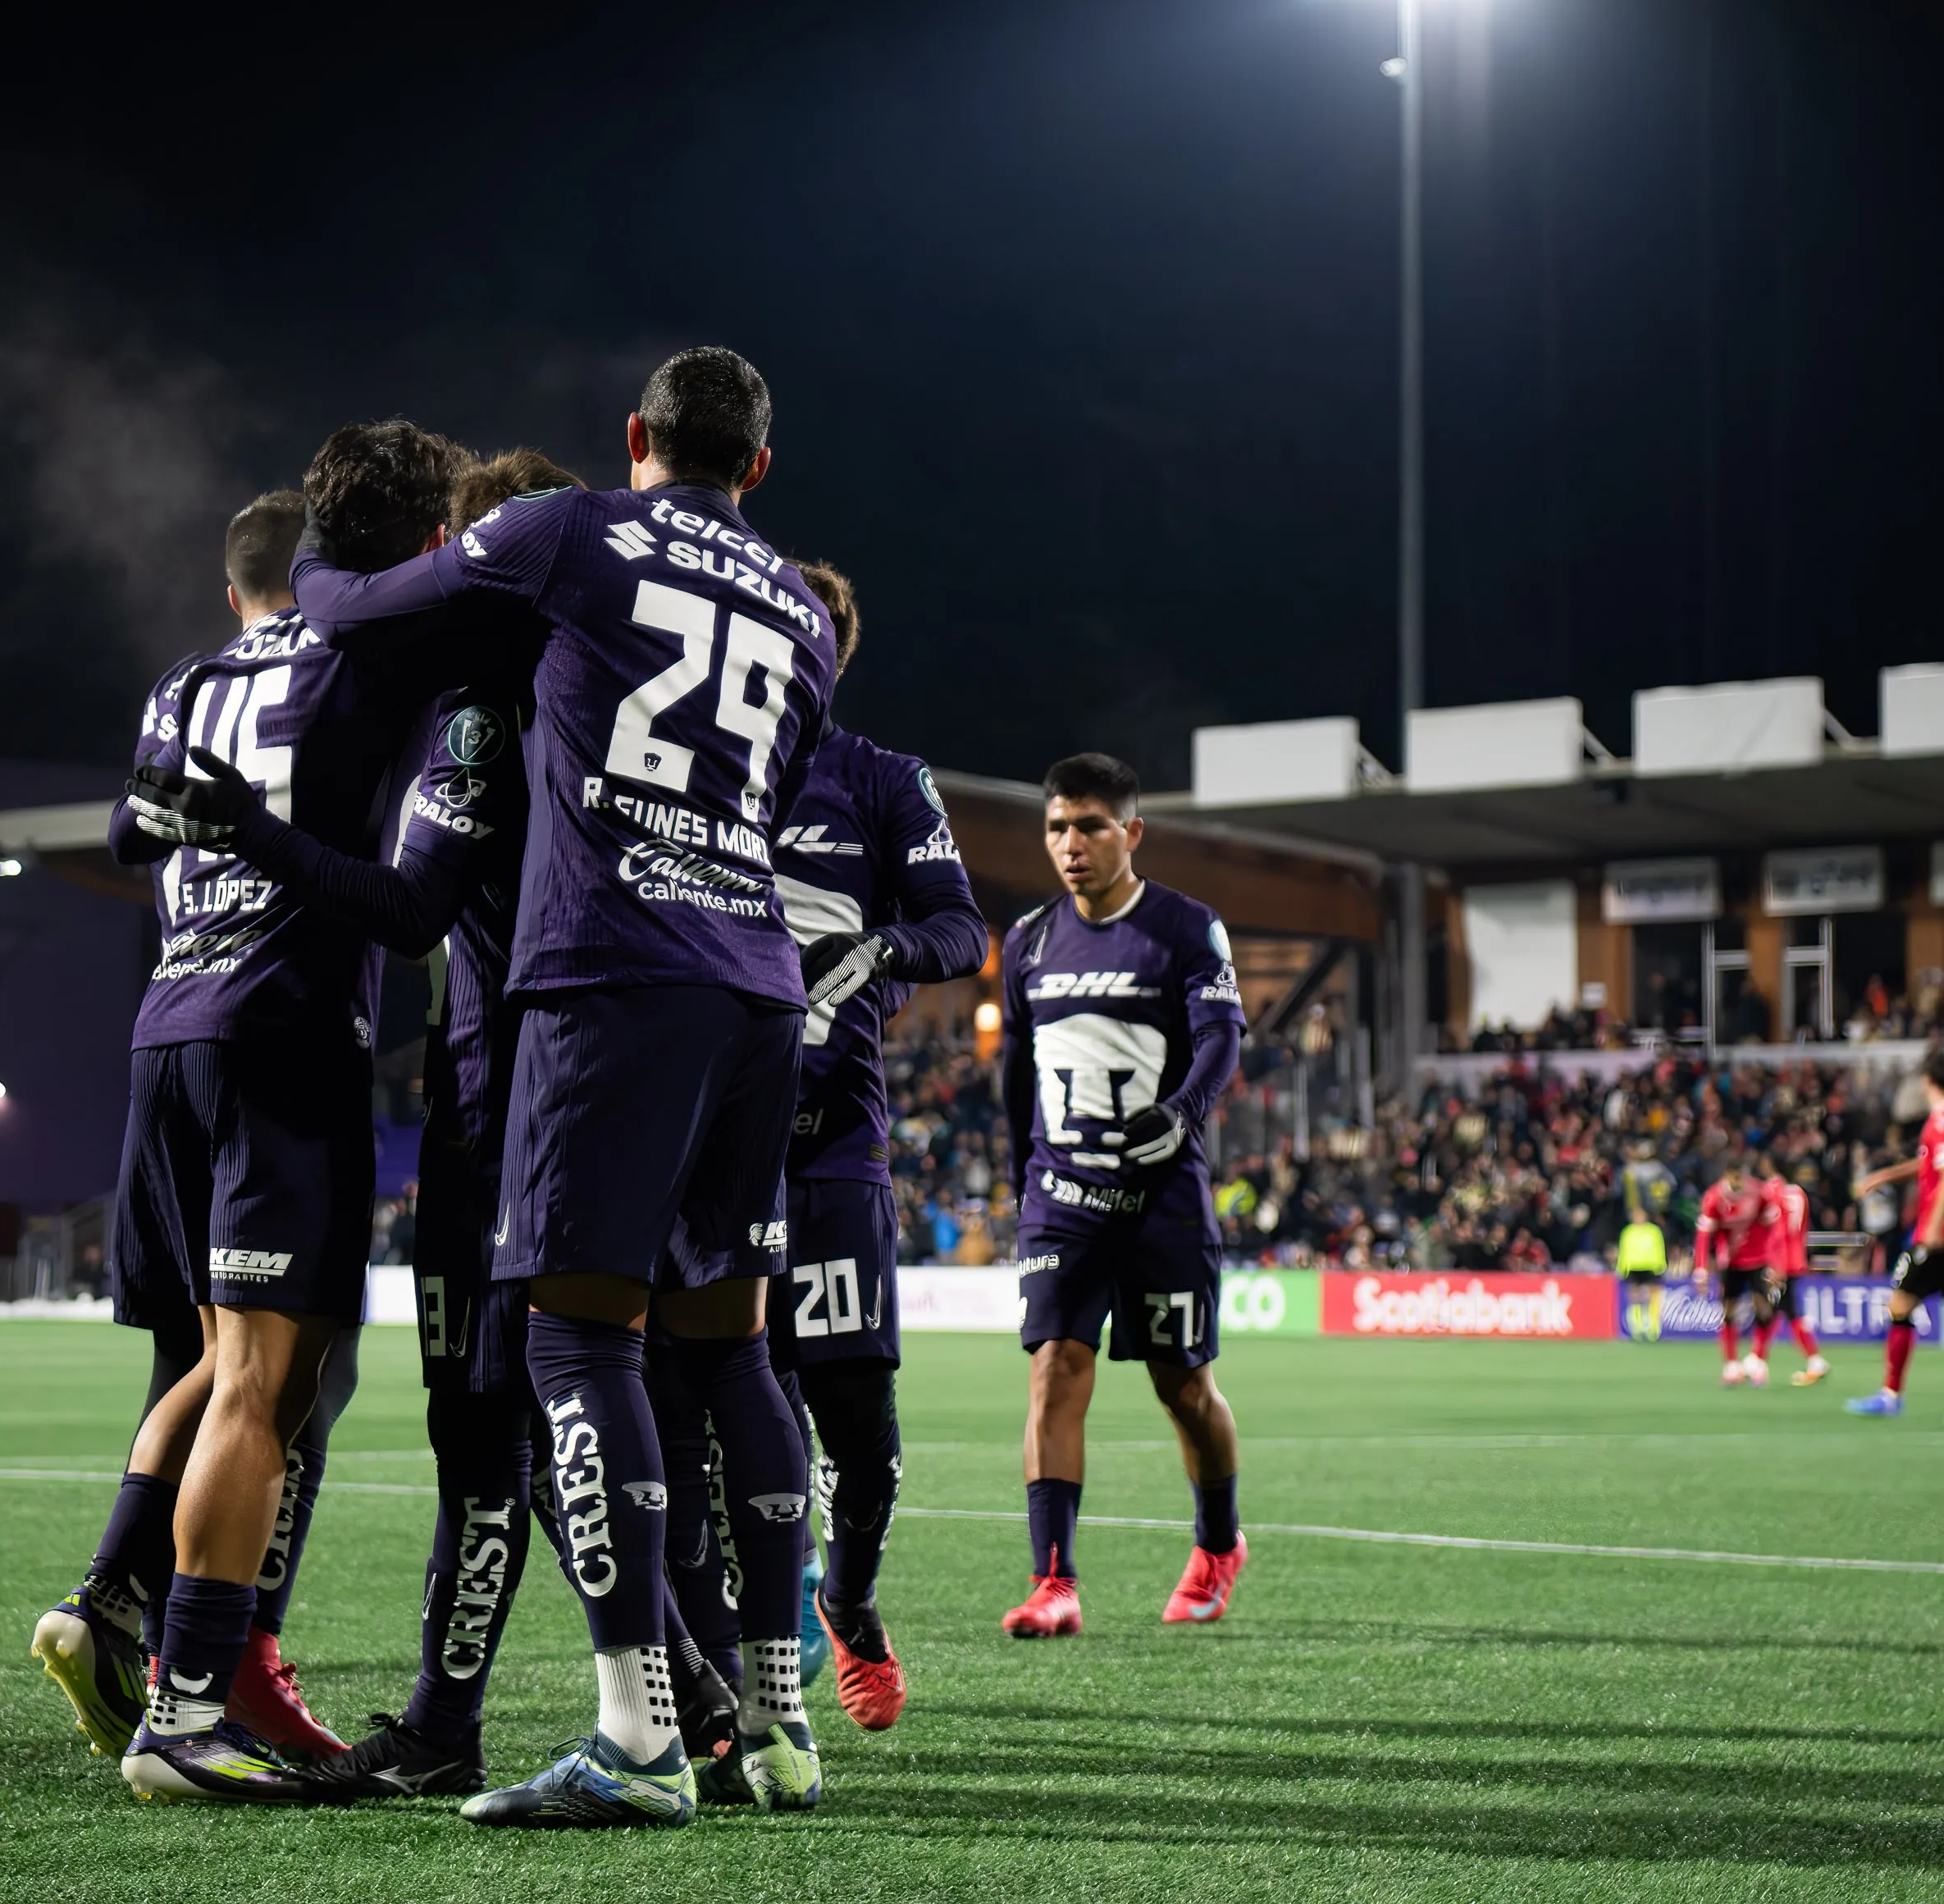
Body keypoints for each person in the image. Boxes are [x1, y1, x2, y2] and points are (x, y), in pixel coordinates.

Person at [295, 347, 838, 1827]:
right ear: (760, 468)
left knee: (572, 1347)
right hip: (757, 984)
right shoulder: (800, 602)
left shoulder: (572, 529)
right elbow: (776, 794)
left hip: (616, 979)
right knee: (732, 1350)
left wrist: (303, 548)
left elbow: (357, 608)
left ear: (636, 437)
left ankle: (639, 1738)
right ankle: (780, 1727)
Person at [34, 434, 462, 1804]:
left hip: (169, 1031)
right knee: (268, 1384)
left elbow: (121, 842)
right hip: (286, 1029)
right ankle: (190, 1712)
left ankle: (108, 1593)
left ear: (235, 592)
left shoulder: (184, 678)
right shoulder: (360, 658)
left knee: (217, 1366)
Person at [144, 446, 573, 1803]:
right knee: (350, 1399)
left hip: (513, 1101)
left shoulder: (460, 698)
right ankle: (231, 1694)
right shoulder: (427, 687)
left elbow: (132, 826)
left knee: (287, 1379)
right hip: (428, 1091)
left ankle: (710, 1690)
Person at [714, 558, 983, 1737]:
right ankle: (747, 1636)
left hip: (834, 1152)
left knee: (859, 1432)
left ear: (835, 652)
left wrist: (881, 949)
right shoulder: (701, 757)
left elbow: (961, 927)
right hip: (714, 1151)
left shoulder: (882, 779)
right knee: (724, 1404)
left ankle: (850, 1598)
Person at [996, 754, 1247, 1639]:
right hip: (1060, 1198)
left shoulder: (1185, 927)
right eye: (1058, 826)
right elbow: (1014, 1079)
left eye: (1091, 825)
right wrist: (1019, 1177)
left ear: (1130, 832)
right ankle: (1052, 1580)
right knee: (1054, 1370)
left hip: (1163, 1203)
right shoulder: (1025, 940)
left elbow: (1220, 1038)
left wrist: (1181, 1115)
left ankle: (1218, 1542)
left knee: (1183, 1389)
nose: (1072, 844)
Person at [1846, 1042, 1944, 1423]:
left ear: (1927, 1081)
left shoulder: (1940, 1121)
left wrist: (1932, 1226)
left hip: (1941, 1233)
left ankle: (1891, 1395)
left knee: (1899, 1306)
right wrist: (1883, 1175)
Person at [1691, 1161, 1773, 1385]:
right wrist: (1701, 1268)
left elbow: (1772, 1225)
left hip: (1758, 1258)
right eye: (1735, 1178)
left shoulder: (1758, 1192)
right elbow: (1704, 1235)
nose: (1739, 1183)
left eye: (1742, 1177)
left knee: (1764, 1309)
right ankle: (1731, 1365)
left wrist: (1775, 1258)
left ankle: (1758, 1359)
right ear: (1727, 1177)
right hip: (1731, 1261)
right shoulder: (1714, 1198)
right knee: (1728, 1312)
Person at [1752, 1162, 1828, 1386]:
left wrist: (1776, 1264)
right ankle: (1760, 1360)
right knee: (1784, 1310)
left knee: (1774, 1310)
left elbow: (1777, 1233)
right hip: (1796, 1259)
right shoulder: (1799, 1194)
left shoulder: (1774, 1192)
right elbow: (1800, 1229)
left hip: (1780, 1263)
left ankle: (1758, 1362)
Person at [1614, 1157, 1672, 1341]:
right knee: (1635, 1297)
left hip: (1650, 1266)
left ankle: (1653, 1326)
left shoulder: (1653, 1231)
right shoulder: (1628, 1232)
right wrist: (1621, 1268)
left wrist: (1662, 1265)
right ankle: (1637, 1326)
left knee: (1653, 1295)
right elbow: (1623, 1251)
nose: (1637, 1216)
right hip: (1633, 1267)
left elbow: (1660, 1248)